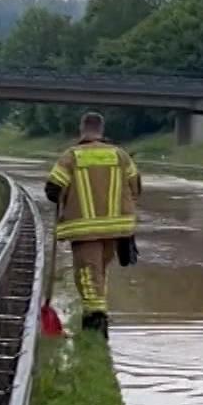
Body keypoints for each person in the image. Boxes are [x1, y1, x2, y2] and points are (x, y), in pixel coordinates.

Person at [44, 111, 141, 337]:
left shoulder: (71, 156)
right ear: (101, 130)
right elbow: (135, 188)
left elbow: (53, 189)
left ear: (82, 129)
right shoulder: (121, 156)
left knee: (88, 277)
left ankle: (95, 329)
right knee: (99, 276)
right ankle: (97, 326)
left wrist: (68, 201)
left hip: (85, 230)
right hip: (115, 229)